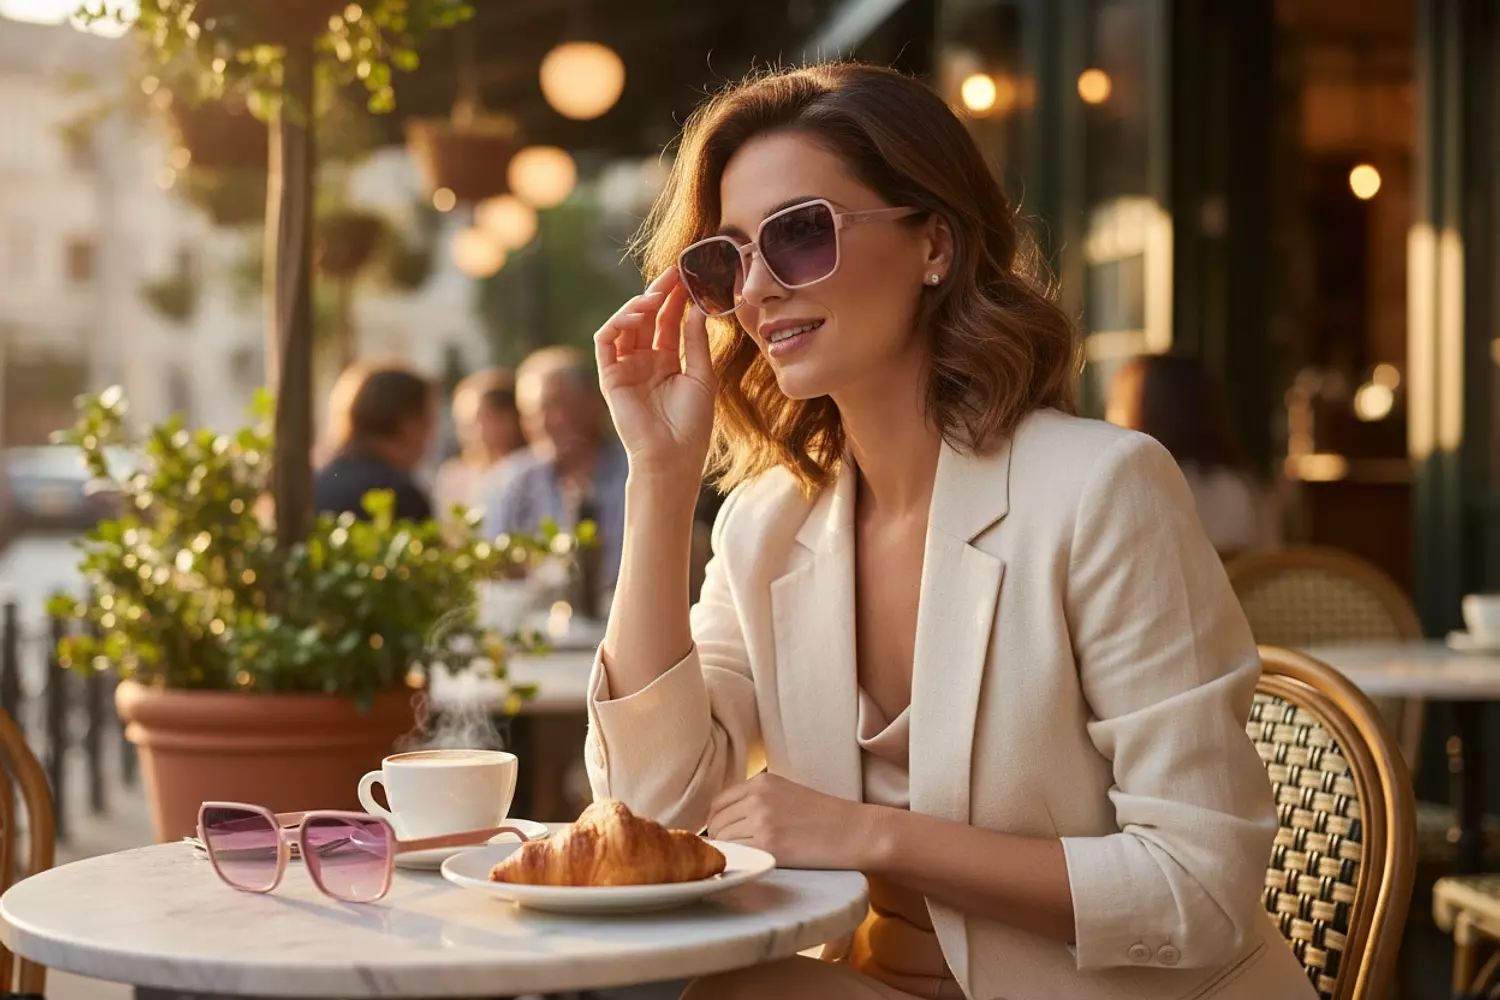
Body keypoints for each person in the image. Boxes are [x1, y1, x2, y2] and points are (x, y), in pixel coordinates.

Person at [583, 64, 1316, 1000]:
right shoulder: (765, 525)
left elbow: (1198, 890)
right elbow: (648, 812)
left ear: (934, 242)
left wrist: (870, 835)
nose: (759, 287)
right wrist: (659, 476)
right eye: (727, 260)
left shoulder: (1101, 490)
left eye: (800, 234)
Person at [481, 346, 627, 608]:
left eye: (553, 406)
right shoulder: (510, 482)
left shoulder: (635, 472)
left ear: (593, 402)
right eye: (530, 413)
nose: (543, 423)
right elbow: (494, 573)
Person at [1105, 355, 1273, 556]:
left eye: (1116, 402)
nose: (1108, 414)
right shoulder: (1242, 488)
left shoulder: (1134, 492)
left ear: (1146, 410)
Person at [314, 362, 436, 522]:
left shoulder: (317, 483)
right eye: (429, 421)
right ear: (407, 424)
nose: (432, 436)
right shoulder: (400, 497)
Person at [433, 368, 525, 518]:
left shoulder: (533, 474)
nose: (468, 433)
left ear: (510, 418)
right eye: (462, 424)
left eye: (477, 421)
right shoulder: (453, 478)